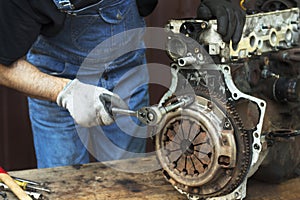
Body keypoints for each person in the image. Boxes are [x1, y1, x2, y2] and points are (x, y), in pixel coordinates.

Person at [0, 0, 245, 168]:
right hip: (56, 78)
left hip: (127, 72)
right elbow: (3, 66)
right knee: (60, 183)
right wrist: (64, 92)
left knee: (127, 182)